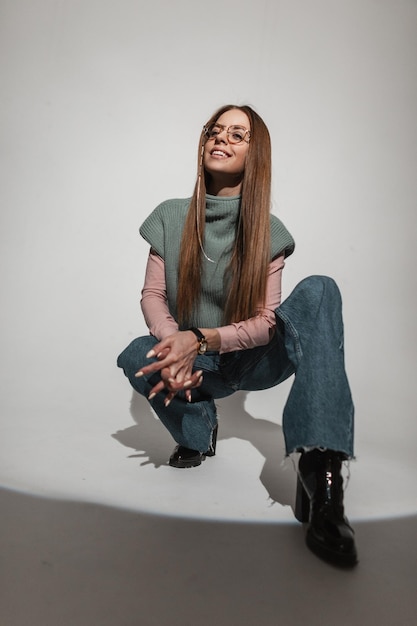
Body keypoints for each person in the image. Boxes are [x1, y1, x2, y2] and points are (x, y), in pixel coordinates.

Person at [117, 104, 358, 567]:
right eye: (215, 130)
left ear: (256, 155)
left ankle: (323, 477)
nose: (220, 137)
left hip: (250, 358)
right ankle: (196, 432)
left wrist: (201, 339)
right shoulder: (169, 216)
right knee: (135, 354)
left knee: (321, 290)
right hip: (196, 364)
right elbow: (152, 295)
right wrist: (174, 345)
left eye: (237, 134)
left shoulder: (269, 231)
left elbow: (266, 323)